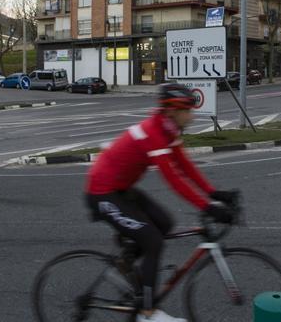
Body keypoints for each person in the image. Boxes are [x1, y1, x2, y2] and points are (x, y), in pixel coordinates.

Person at [85, 83, 236, 322]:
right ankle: (147, 312)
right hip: (102, 192)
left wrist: (215, 194)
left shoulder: (169, 130)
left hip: (121, 189)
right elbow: (174, 179)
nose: (192, 115)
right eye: (188, 110)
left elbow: (185, 166)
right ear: (172, 110)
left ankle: (127, 261)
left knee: (165, 223)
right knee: (153, 241)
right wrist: (207, 207)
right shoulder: (153, 133)